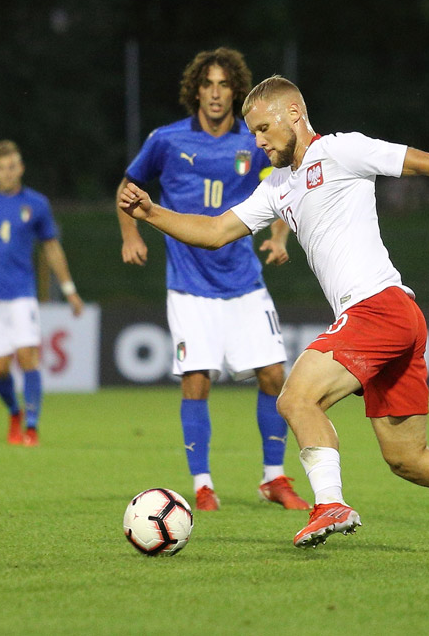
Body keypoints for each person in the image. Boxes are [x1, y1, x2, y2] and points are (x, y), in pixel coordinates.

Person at [119, 75, 429, 555]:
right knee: (408, 458)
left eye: (264, 128)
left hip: (378, 307)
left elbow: (424, 162)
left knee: (296, 398)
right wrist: (151, 213)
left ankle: (330, 504)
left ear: (294, 115)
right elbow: (216, 230)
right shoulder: (278, 187)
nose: (258, 140)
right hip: (396, 316)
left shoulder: (343, 150)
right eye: (253, 133)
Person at [116, 49, 308, 513]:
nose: (217, 93)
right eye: (209, 84)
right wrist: (130, 236)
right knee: (196, 379)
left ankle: (274, 478)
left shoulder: (254, 138)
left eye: (224, 84)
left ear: (235, 90)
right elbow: (127, 190)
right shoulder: (165, 140)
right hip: (189, 285)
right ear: (196, 90)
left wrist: (280, 237)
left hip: (243, 280)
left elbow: (282, 191)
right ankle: (202, 485)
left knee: (274, 375)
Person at [0, 140, 84, 446]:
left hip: (23, 293)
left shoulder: (36, 204)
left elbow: (51, 247)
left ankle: (32, 427)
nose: (8, 173)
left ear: (21, 168)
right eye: (1, 168)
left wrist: (69, 290)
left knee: (27, 356)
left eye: (13, 166)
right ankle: (14, 411)